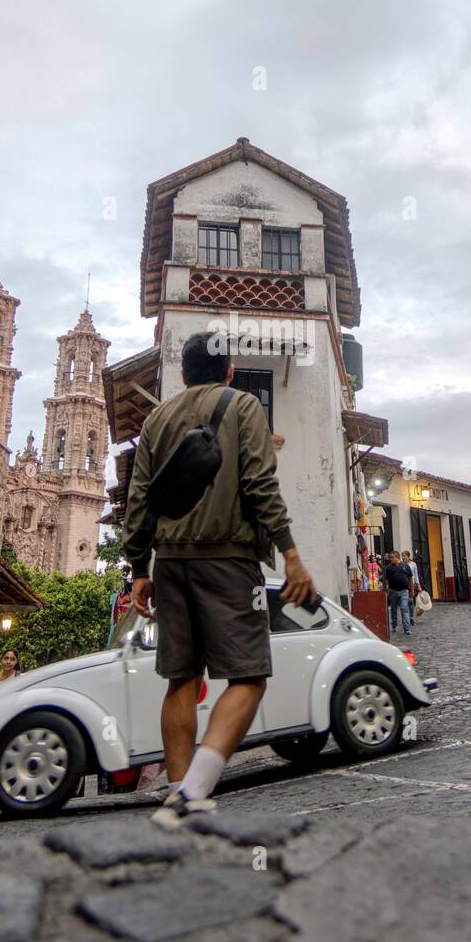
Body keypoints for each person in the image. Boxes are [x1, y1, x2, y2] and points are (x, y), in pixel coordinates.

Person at [122, 331, 317, 825]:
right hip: (228, 560)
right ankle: (197, 788)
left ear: (184, 374)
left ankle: (177, 794)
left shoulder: (156, 419)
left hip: (167, 564)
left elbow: (138, 498)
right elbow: (259, 483)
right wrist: (291, 554)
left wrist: (137, 569)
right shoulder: (243, 406)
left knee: (180, 679)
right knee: (249, 676)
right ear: (228, 370)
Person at [385, 550, 412, 638]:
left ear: (397, 557)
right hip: (393, 591)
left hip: (404, 591)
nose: (390, 559)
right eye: (390, 558)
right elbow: (387, 579)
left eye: (392, 557)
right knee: (393, 609)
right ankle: (394, 625)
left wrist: (411, 591)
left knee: (404, 608)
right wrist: (387, 589)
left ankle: (407, 629)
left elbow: (410, 579)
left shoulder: (406, 566)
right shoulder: (389, 568)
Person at [402, 549, 420, 622]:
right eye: (402, 556)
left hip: (412, 585)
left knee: (411, 601)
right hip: (404, 584)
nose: (403, 558)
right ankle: (406, 618)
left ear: (408, 556)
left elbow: (416, 576)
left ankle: (411, 617)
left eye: (404, 556)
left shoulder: (413, 564)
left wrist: (419, 586)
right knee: (404, 602)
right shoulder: (401, 564)